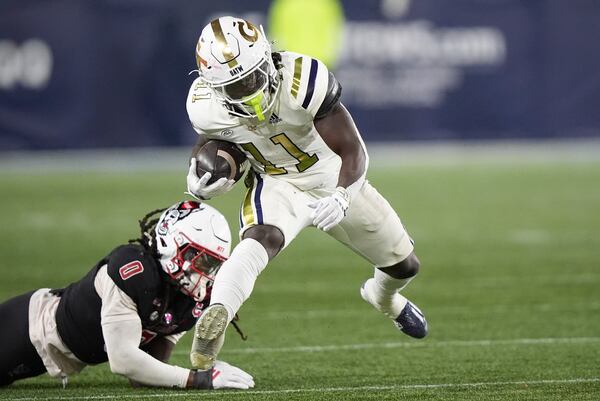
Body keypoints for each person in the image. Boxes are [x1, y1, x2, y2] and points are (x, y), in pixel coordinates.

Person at [185, 16, 428, 369]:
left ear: (267, 58)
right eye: (237, 86)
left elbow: (353, 149)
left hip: (331, 176)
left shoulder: (302, 80)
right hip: (275, 181)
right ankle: (218, 311)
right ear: (215, 87)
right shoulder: (205, 107)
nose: (251, 89)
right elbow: (213, 145)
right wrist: (200, 175)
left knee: (403, 267)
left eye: (254, 75)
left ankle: (383, 298)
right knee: (259, 240)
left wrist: (343, 195)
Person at [0, 200, 254, 390]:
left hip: (54, 353)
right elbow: (123, 360)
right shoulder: (134, 269)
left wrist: (203, 369)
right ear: (171, 242)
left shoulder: (186, 297)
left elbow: (141, 375)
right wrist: (196, 379)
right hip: (31, 327)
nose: (204, 272)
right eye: (197, 258)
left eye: (211, 264)